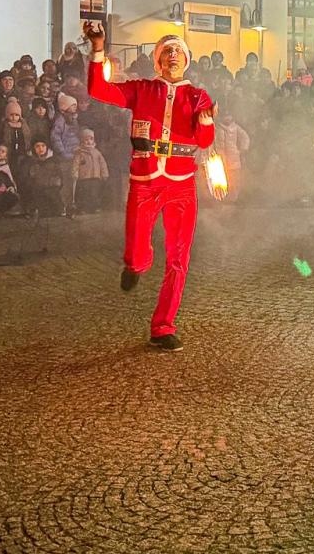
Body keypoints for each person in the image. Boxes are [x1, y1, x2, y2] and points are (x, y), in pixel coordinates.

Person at [84, 22, 216, 351]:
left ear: (187, 61)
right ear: (157, 61)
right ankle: (136, 264)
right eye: (166, 52)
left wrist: (206, 122)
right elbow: (99, 89)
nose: (173, 56)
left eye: (178, 52)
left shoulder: (198, 96)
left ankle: (163, 326)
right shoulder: (142, 89)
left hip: (182, 184)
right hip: (145, 180)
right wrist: (98, 49)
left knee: (178, 258)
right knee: (138, 247)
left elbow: (204, 140)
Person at [72, 128, 109, 213]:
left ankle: (95, 207)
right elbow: (76, 163)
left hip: (95, 177)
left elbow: (102, 163)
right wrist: (74, 173)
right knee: (84, 194)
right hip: (84, 177)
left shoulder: (97, 152)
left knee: (95, 193)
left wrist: (104, 173)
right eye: (86, 139)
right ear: (82, 141)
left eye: (91, 139)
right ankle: (83, 208)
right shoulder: (80, 153)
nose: (89, 141)